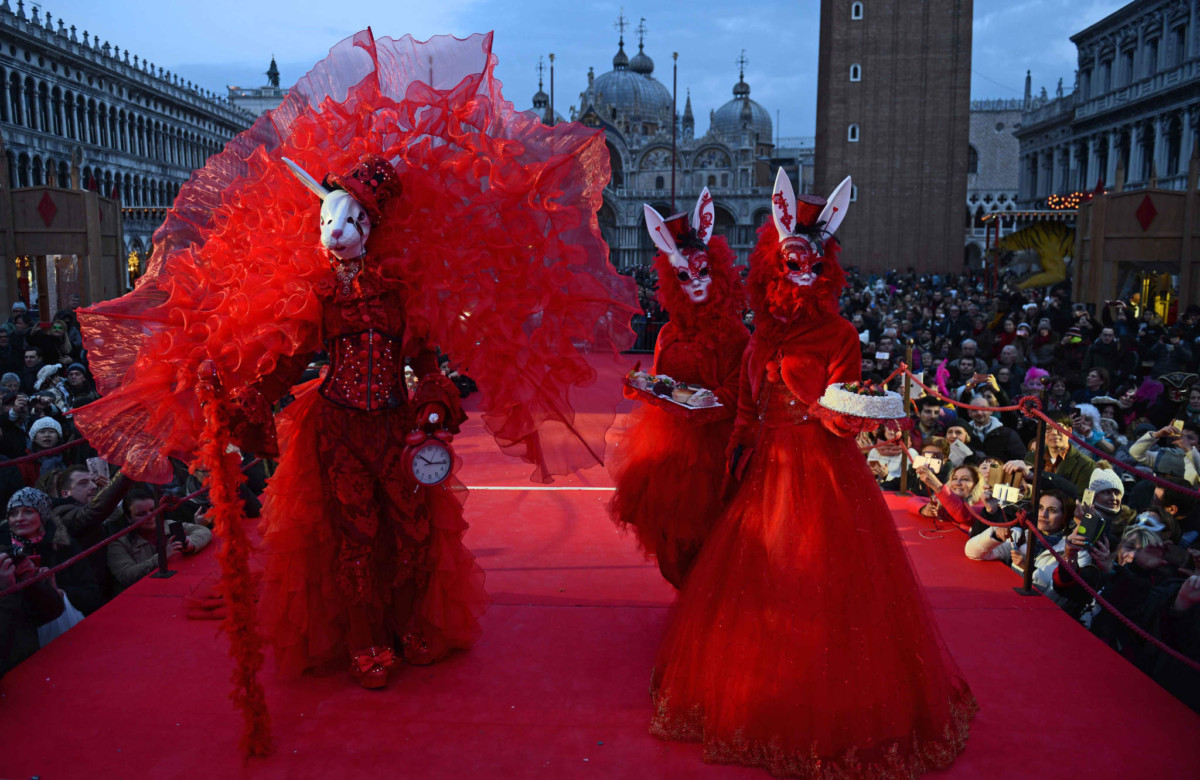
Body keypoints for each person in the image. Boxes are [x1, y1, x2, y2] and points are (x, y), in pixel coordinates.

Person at [75, 30, 637, 718]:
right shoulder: (315, 298)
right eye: (327, 219)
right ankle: (367, 639)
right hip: (337, 427)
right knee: (355, 536)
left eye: (347, 219)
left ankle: (405, 624)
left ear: (370, 228)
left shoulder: (401, 292)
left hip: (395, 429)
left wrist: (432, 403)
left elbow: (428, 359)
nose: (335, 230)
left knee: (411, 530)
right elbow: (284, 361)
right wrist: (239, 392)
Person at [650, 171, 973, 777]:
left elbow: (842, 409)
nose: (801, 270)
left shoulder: (840, 333)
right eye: (791, 260)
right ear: (773, 266)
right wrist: (734, 457)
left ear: (825, 270)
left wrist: (841, 411)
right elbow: (746, 409)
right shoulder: (760, 336)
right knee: (759, 582)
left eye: (811, 262)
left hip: (820, 473)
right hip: (764, 472)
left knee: (824, 581)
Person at [608, 191, 749, 587]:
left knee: (707, 541)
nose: (695, 283)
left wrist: (703, 406)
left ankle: (707, 611)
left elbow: (739, 393)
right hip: (667, 448)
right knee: (670, 544)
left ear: (718, 272)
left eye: (703, 272)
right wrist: (643, 388)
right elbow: (661, 378)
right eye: (684, 276)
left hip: (712, 452)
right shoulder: (668, 331)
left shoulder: (734, 333)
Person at [107, 487, 212, 591]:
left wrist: (190, 545)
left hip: (175, 586)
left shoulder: (168, 525)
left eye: (153, 510)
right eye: (141, 514)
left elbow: (202, 531)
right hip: (143, 594)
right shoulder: (119, 543)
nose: (150, 516)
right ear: (128, 517)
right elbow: (126, 576)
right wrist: (162, 556)